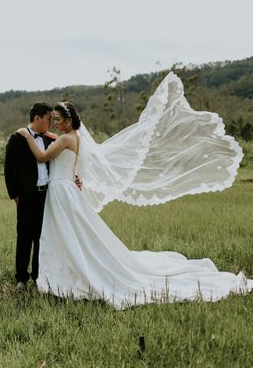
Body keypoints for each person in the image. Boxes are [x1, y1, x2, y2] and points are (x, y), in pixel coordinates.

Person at [16, 73, 252, 309]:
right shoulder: (73, 136)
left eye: (57, 119)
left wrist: (27, 134)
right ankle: (60, 272)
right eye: (53, 120)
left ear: (67, 120)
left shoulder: (65, 139)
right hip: (64, 188)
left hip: (61, 191)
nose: (55, 123)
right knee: (69, 234)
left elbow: (43, 156)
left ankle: (68, 274)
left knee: (69, 233)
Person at [4, 103, 56, 289]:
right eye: (48, 119)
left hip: (47, 197)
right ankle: (21, 277)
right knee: (24, 236)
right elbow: (9, 170)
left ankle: (37, 275)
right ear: (37, 119)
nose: (50, 123)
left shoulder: (50, 140)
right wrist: (15, 196)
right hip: (26, 197)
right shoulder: (17, 139)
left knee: (41, 237)